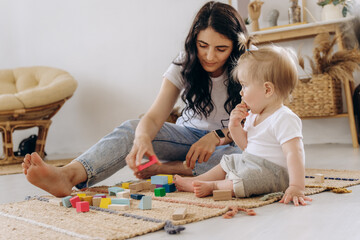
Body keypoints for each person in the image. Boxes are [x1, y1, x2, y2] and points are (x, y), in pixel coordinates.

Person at [22, 1, 248, 197]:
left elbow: (260, 122)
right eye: (203, 46)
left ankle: (165, 169)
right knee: (133, 129)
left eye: (221, 49)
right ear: (194, 42)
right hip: (186, 138)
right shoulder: (185, 63)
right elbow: (154, 116)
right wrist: (141, 139)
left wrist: (217, 136)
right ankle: (68, 175)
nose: (209, 56)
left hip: (231, 141)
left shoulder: (251, 61)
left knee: (248, 154)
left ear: (236, 47)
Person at [174, 34, 312, 206]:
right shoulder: (254, 115)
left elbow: (294, 153)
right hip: (251, 162)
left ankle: (214, 186)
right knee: (229, 161)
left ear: (267, 90)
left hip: (274, 174)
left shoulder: (284, 118)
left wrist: (297, 186)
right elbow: (246, 146)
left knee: (247, 178)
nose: (241, 92)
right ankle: (198, 180)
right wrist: (234, 126)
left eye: (245, 86)